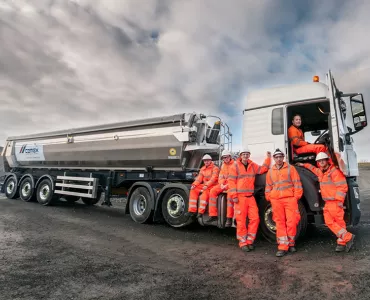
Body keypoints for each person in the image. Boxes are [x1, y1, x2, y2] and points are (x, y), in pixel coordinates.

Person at [296, 152, 355, 252]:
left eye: (323, 160)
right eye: (319, 161)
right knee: (329, 222)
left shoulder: (334, 172)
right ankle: (347, 237)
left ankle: (342, 243)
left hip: (335, 202)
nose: (321, 162)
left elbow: (342, 187)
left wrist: (339, 201)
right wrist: (303, 164)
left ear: (327, 160)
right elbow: (312, 169)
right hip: (328, 202)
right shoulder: (321, 172)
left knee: (339, 223)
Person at [228, 148, 271, 252]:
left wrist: (268, 159)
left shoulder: (252, 165)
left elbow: (262, 169)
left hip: (250, 197)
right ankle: (242, 242)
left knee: (255, 219)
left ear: (249, 155)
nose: (246, 156)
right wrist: (234, 196)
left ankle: (250, 241)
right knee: (241, 221)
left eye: (247, 154)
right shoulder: (235, 166)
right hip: (240, 197)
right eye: (244, 154)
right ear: (241, 155)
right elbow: (231, 181)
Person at [265, 148, 303, 257]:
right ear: (274, 158)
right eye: (276, 157)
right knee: (279, 222)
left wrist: (296, 197)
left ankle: (291, 243)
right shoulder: (270, 172)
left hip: (290, 199)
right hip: (276, 200)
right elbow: (268, 186)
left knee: (293, 220)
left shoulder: (291, 169)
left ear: (283, 157)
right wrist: (269, 197)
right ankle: (282, 246)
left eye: (280, 157)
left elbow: (297, 184)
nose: (278, 159)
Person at [207, 150, 235, 225]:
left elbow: (235, 179)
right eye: (224, 157)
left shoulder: (235, 165)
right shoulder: (223, 165)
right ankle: (213, 215)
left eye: (227, 157)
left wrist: (227, 185)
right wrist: (222, 184)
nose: (225, 158)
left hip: (232, 185)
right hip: (223, 185)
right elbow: (220, 177)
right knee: (212, 191)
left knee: (229, 196)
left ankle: (229, 218)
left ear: (230, 157)